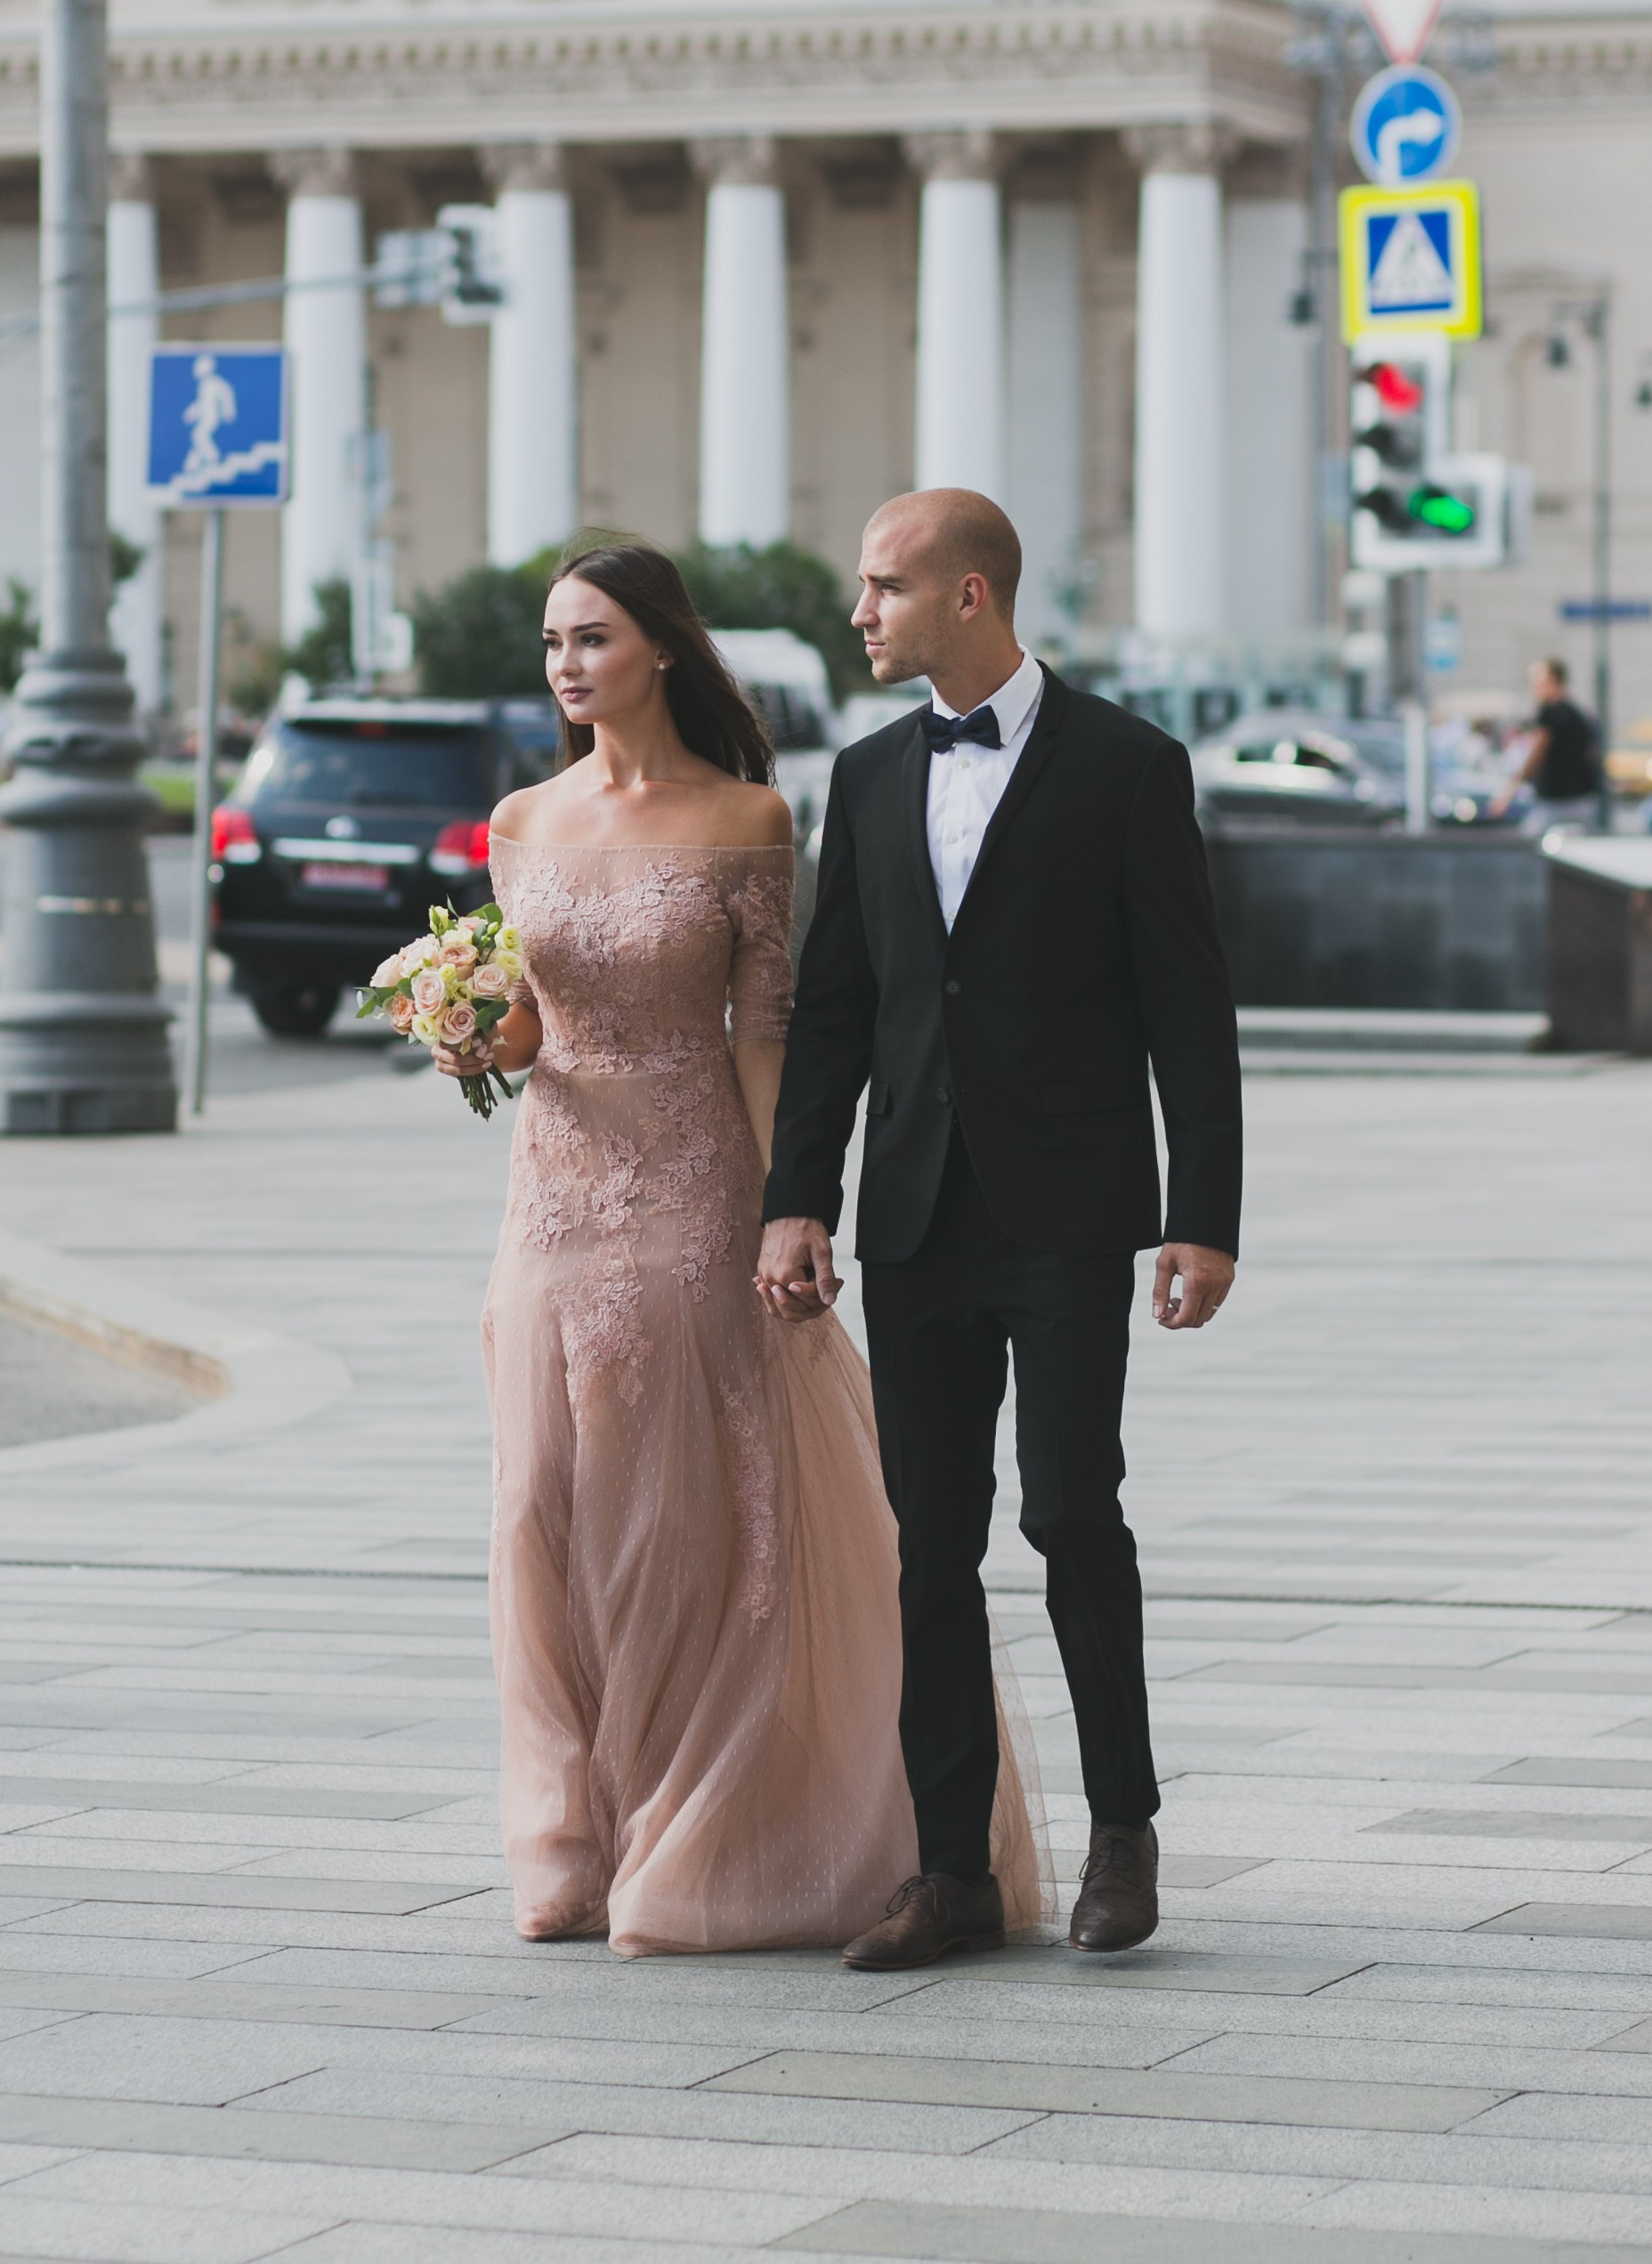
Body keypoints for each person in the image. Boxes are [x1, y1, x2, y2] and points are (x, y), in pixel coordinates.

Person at [427, 538, 1042, 1955]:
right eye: (549, 644)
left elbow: (768, 1031)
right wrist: (475, 1031)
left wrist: (792, 1203)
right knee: (535, 1505)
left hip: (695, 1188)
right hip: (549, 1200)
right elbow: (526, 1021)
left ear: (658, 647)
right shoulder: (523, 816)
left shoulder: (749, 820)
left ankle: (678, 1823)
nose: (564, 667)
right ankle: (562, 1833)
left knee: (672, 1521)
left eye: (589, 638)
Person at [758, 490, 1242, 1972]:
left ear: (970, 595)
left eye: (884, 585)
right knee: (928, 1544)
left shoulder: (1123, 764)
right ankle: (950, 1866)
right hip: (911, 1214)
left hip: (1070, 1208)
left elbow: (1183, 1002)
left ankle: (1120, 1828)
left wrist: (1199, 1213)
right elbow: (835, 1008)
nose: (861, 611)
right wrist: (797, 1196)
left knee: (1065, 1508)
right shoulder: (866, 770)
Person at [1492, 655, 1602, 831]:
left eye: (1536, 681)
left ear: (1552, 681)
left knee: (1529, 845)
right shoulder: (1578, 713)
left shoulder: (1549, 714)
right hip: (1583, 799)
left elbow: (1535, 754)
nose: (1532, 688)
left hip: (1554, 802)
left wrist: (1509, 792)